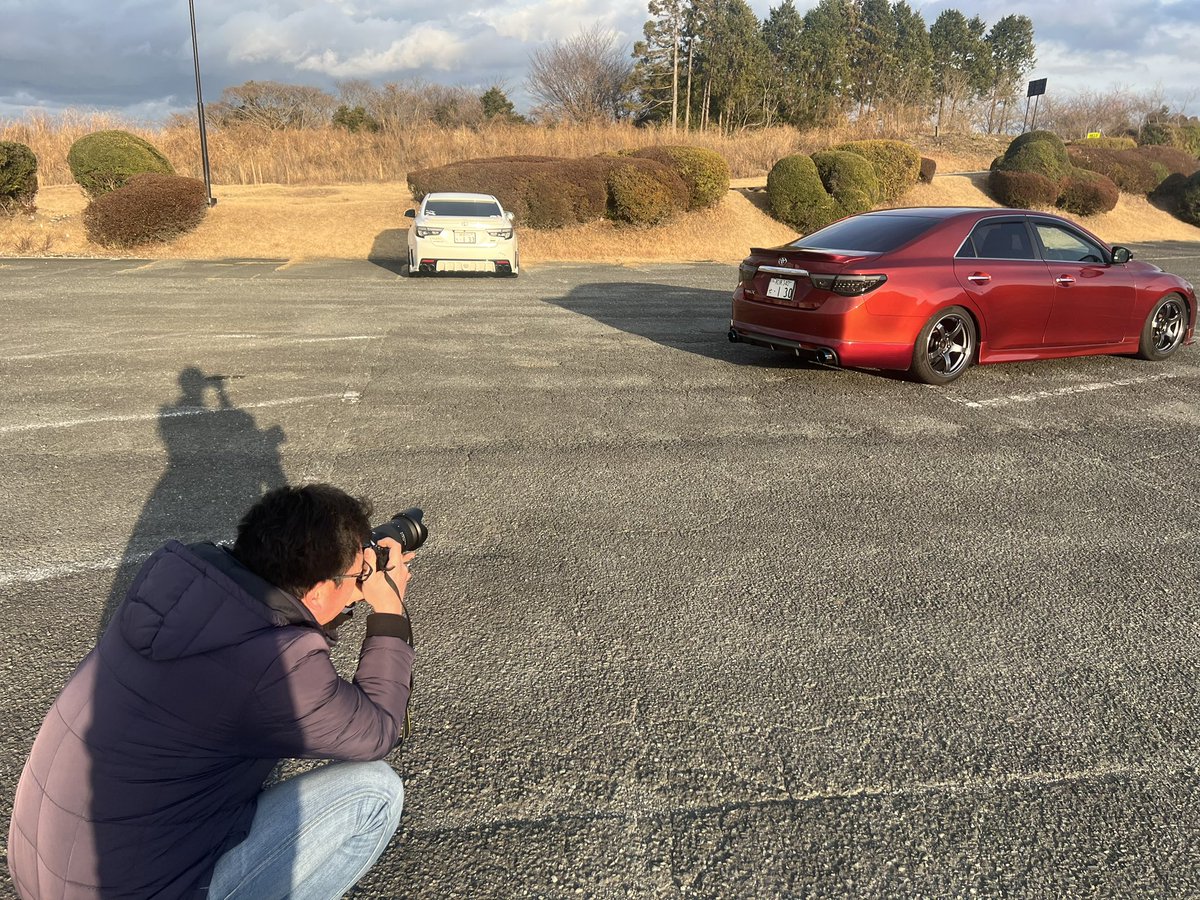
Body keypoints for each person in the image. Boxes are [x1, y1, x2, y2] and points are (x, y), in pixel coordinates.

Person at [8, 484, 418, 900]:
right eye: (354, 577)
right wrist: (390, 612)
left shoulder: (176, 587)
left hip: (39, 871)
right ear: (317, 591)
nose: (359, 586)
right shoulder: (274, 666)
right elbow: (378, 729)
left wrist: (345, 582)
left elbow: (288, 611)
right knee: (375, 794)